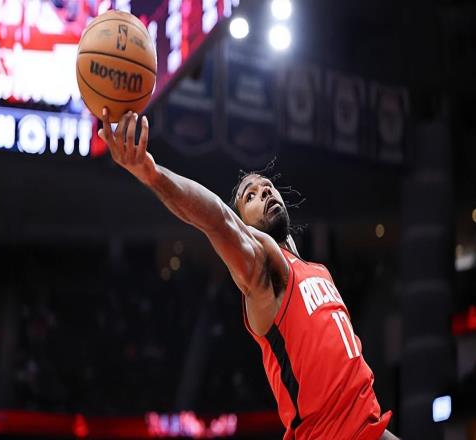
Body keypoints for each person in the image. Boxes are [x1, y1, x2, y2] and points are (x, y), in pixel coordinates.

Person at [98, 108, 399, 440]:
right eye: (250, 196)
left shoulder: (319, 272)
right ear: (244, 226)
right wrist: (153, 174)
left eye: (267, 187)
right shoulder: (267, 272)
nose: (264, 192)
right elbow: (217, 219)